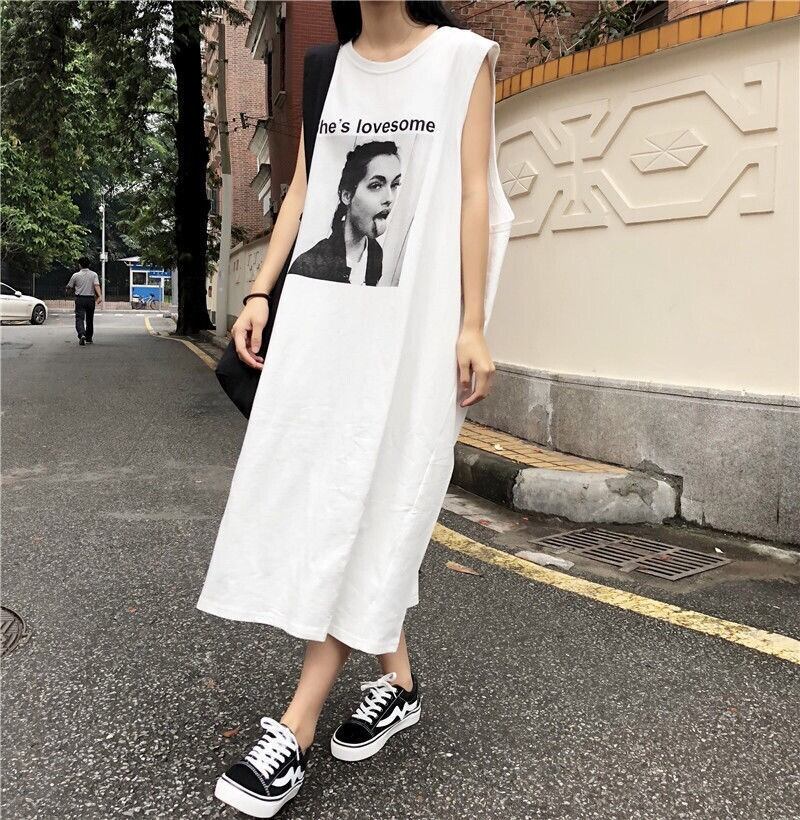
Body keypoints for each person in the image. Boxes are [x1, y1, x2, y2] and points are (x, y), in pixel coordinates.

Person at [196, 2, 516, 817]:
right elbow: (304, 188)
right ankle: (397, 682)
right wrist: (260, 291)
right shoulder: (326, 68)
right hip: (324, 326)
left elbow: (474, 195)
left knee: (376, 500)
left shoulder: (462, 59)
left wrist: (473, 323)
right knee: (332, 496)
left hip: (415, 335)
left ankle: (297, 726)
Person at [288, 140, 400, 285]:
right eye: (376, 185)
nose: (389, 198)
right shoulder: (307, 266)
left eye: (394, 185)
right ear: (347, 196)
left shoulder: (375, 252)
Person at [65, 256, 101, 345]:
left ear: (80, 265)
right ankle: (89, 338)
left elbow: (69, 287)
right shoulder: (94, 274)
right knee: (89, 319)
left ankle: (81, 334)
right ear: (89, 264)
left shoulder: (75, 275)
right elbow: (96, 285)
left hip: (80, 299)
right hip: (90, 299)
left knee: (79, 318)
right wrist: (99, 296)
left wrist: (68, 291)